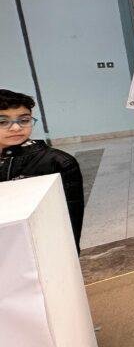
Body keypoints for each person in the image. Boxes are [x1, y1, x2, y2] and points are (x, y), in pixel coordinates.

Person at [0, 89, 85, 253]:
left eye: (24, 120)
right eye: (3, 122)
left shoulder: (58, 162)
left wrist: (68, 255)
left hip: (40, 251)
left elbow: (71, 220)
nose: (16, 127)